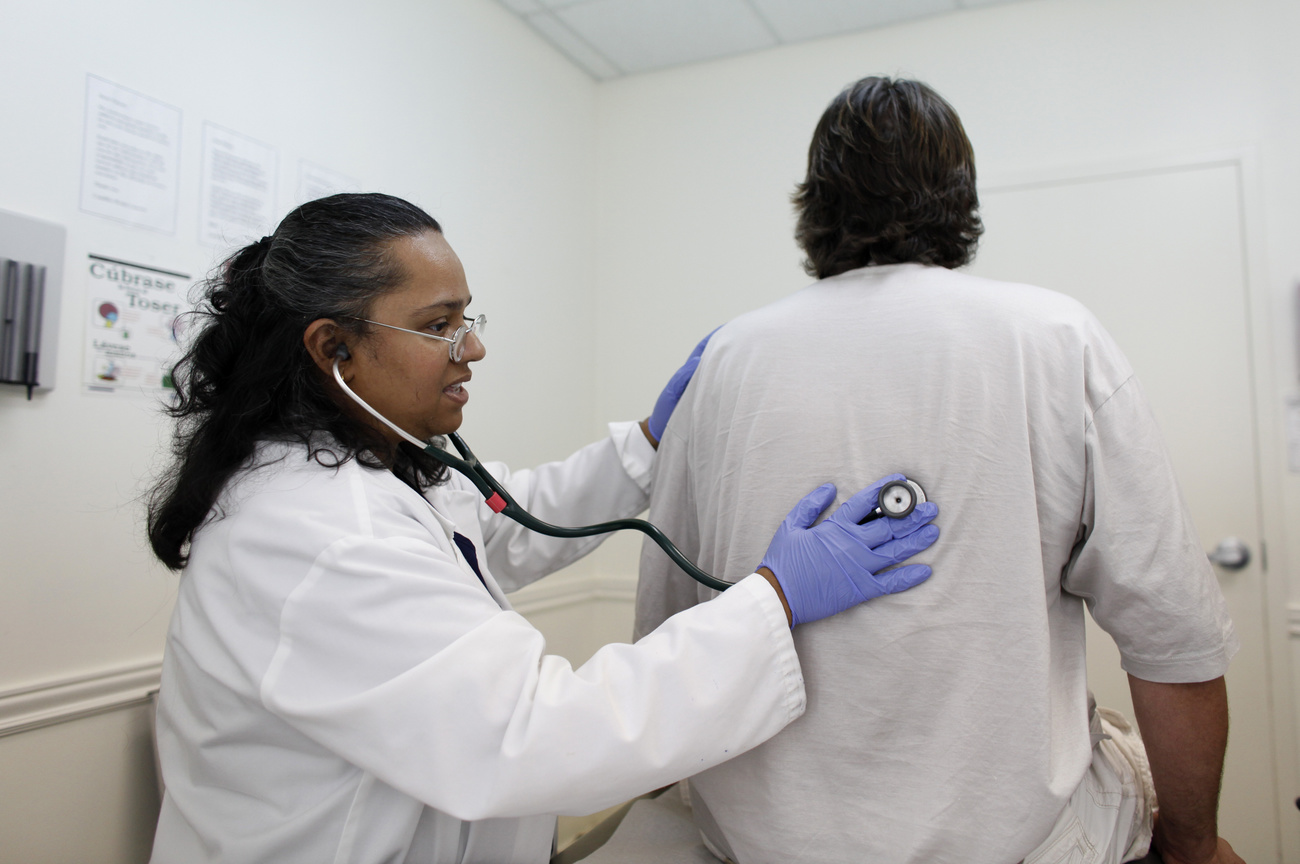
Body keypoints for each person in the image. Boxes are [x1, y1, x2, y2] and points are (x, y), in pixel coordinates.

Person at [144, 192, 941, 864]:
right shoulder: (321, 533)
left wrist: (646, 447)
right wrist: (774, 599)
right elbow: (540, 731)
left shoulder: (370, 476)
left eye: (468, 316)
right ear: (335, 349)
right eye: (439, 324)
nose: (474, 347)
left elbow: (502, 528)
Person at [635, 78, 1243, 864]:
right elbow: (1175, 639)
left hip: (757, 841)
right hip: (1015, 840)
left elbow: (665, 631)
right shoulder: (1056, 339)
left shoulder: (722, 359)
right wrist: (1195, 847)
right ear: (960, 200)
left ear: (814, 206)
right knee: (1117, 758)